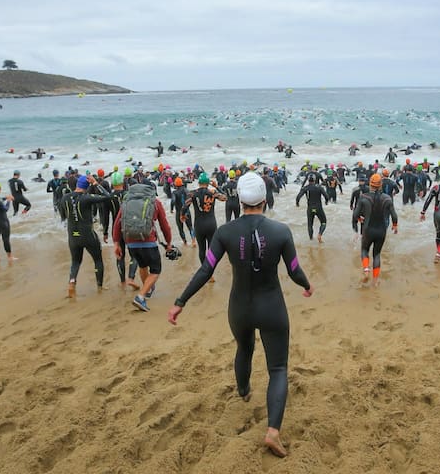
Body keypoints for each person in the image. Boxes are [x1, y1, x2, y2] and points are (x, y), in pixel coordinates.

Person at [168, 172, 314, 458]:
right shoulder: (281, 231)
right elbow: (294, 270)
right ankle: (273, 432)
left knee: (244, 349)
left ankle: (244, 391)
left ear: (240, 200)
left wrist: (180, 301)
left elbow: (206, 269)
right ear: (264, 199)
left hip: (240, 308)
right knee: (278, 369)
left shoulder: (225, 232)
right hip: (272, 308)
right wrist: (307, 285)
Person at [113, 182, 173, 312]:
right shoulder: (155, 202)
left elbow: (117, 224)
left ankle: (146, 291)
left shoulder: (127, 202)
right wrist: (168, 243)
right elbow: (164, 226)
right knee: (156, 270)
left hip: (131, 243)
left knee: (142, 266)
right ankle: (140, 296)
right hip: (148, 242)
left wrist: (116, 243)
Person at [60, 174, 111, 297]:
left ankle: (72, 282)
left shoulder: (64, 198)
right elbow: (107, 196)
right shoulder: (86, 198)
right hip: (87, 234)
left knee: (75, 261)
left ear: (77, 185)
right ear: (87, 187)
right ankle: (100, 286)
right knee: (97, 260)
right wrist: (95, 183)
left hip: (73, 235)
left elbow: (63, 216)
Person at [353, 173, 398, 283]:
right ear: (381, 185)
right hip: (381, 231)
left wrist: (359, 218)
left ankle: (366, 270)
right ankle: (375, 281)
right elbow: (394, 215)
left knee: (364, 250)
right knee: (377, 254)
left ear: (370, 184)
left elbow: (355, 214)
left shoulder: (364, 197)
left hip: (368, 229)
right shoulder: (387, 198)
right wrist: (395, 225)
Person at [187, 172, 226, 273]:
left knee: (201, 250)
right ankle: (211, 271)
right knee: (211, 250)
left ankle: (205, 272)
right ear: (208, 183)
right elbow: (225, 197)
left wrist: (182, 215)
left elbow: (185, 206)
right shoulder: (212, 192)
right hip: (211, 224)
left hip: (199, 225)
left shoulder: (192, 193)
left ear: (199, 182)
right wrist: (216, 187)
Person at [295, 174, 329, 242]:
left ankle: (311, 239)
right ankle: (319, 234)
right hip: (319, 208)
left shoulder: (305, 188)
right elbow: (326, 196)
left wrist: (297, 203)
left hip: (310, 208)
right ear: (314, 179)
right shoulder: (319, 187)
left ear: (308, 180)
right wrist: (326, 201)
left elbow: (298, 197)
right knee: (323, 222)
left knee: (310, 225)